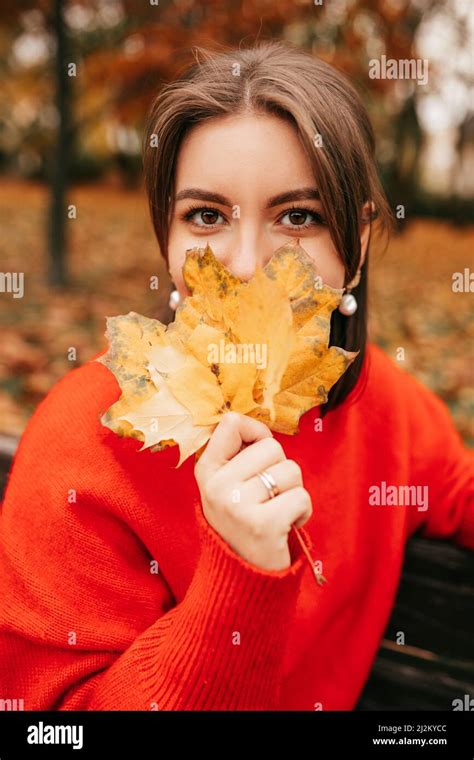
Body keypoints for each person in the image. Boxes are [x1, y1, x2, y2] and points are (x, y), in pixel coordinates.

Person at [0, 41, 472, 711]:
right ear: (167, 239)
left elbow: (456, 488)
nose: (246, 262)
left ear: (359, 243)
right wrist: (238, 576)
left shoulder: (383, 406)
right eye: (207, 215)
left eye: (298, 216)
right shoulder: (85, 443)